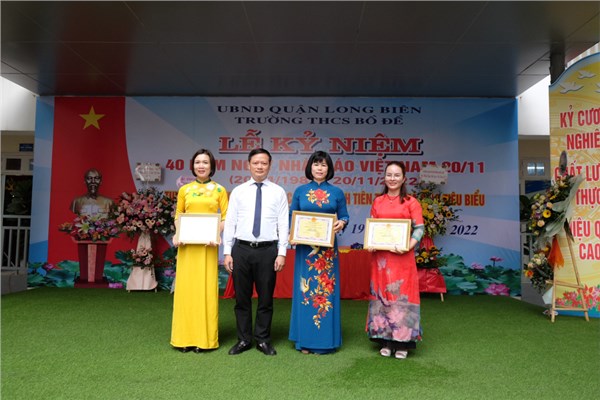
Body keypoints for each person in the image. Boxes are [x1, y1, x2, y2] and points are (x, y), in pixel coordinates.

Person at [223, 148, 289, 356]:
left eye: (264, 163)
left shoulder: (278, 192)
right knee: (241, 298)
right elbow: (230, 222)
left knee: (266, 298)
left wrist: (282, 252)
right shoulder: (238, 191)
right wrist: (227, 251)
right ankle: (243, 339)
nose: (260, 166)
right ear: (248, 165)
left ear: (270, 165)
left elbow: (283, 223)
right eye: (256, 163)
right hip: (241, 249)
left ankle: (262, 339)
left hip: (268, 250)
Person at [288, 151, 349, 354]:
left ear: (329, 168)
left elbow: (344, 216)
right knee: (305, 292)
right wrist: (291, 233)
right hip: (305, 251)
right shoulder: (300, 191)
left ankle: (325, 341)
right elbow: (292, 217)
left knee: (326, 292)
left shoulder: (337, 192)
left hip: (327, 252)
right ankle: (304, 340)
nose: (319, 168)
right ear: (310, 167)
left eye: (323, 165)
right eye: (316, 164)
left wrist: (342, 223)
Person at [170, 149, 229, 353]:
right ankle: (183, 339)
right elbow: (178, 214)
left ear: (212, 166)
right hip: (187, 247)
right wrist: (177, 233)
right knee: (186, 291)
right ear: (192, 166)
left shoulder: (219, 190)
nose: (201, 166)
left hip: (207, 247)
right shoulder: (185, 190)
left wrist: (217, 233)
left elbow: (226, 217)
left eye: (205, 162)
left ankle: (204, 339)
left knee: (205, 290)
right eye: (197, 162)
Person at [366, 161, 424, 359]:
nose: (392, 178)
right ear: (384, 177)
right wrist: (371, 242)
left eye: (397, 175)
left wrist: (408, 246)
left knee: (401, 295)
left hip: (402, 258)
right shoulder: (378, 201)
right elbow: (373, 227)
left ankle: (403, 344)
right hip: (381, 259)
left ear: (404, 178)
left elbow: (419, 229)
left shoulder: (411, 202)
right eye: (389, 175)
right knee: (383, 295)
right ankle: (385, 341)